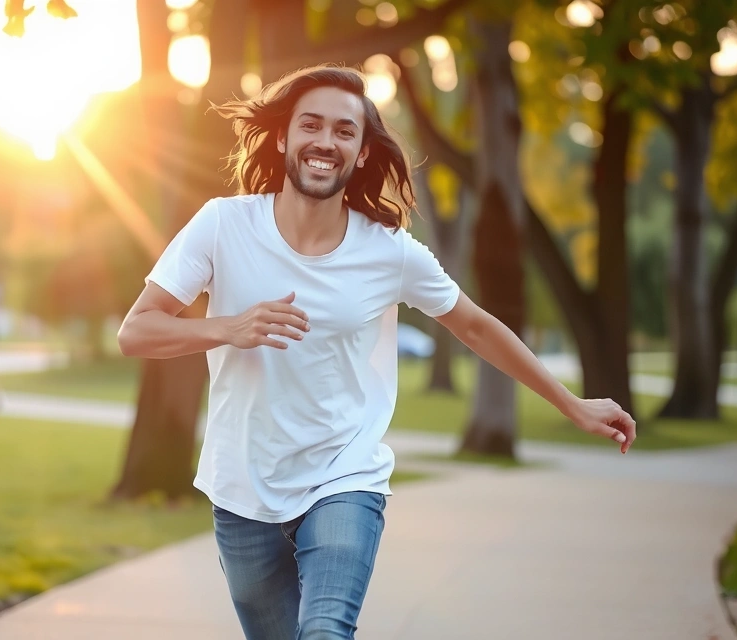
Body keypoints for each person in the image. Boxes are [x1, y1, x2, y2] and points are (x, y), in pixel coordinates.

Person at [116, 65, 636, 640]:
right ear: (284, 136)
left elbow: (477, 327)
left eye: (345, 131)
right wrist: (227, 327)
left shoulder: (390, 252)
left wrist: (573, 405)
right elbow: (136, 331)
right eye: (310, 125)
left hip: (345, 475)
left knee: (324, 633)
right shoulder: (222, 225)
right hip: (242, 486)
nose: (325, 141)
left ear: (362, 153)